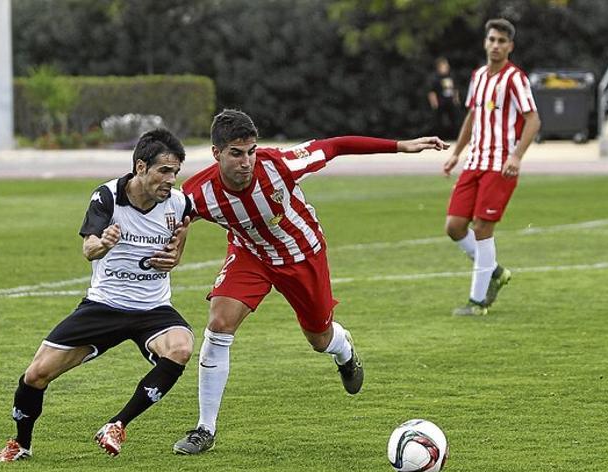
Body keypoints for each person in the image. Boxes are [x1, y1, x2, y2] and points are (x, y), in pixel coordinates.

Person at [172, 109, 447, 454]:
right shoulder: (197, 193)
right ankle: (204, 429)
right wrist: (173, 241)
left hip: (302, 255)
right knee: (219, 323)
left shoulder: (280, 164)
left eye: (251, 151)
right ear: (216, 153)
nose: (246, 161)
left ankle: (344, 350)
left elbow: (336, 146)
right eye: (236, 153)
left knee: (319, 338)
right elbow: (172, 217)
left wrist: (400, 146)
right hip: (250, 255)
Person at [0, 129, 194, 462]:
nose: (171, 180)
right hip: (104, 306)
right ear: (141, 167)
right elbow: (89, 249)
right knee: (35, 375)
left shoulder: (179, 202)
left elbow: (181, 231)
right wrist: (104, 243)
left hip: (153, 308)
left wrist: (177, 255)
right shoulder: (108, 197)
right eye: (164, 171)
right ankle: (21, 444)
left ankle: (117, 425)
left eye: (175, 173)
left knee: (182, 347)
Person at [441, 18, 541, 316]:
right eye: (492, 40)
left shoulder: (515, 79)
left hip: (500, 165)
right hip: (475, 162)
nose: (496, 45)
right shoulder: (479, 76)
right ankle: (495, 272)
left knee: (483, 227)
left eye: (502, 41)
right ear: (486, 42)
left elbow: (533, 119)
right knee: (454, 227)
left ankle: (478, 301)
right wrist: (456, 153)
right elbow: (473, 117)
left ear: (510, 46)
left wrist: (516, 156)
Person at [427, 56, 463, 139]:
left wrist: (456, 99)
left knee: (455, 119)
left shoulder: (451, 76)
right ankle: (438, 137)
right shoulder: (435, 78)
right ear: (439, 67)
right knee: (438, 121)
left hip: (450, 101)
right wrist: (434, 103)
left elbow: (455, 89)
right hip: (440, 102)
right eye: (444, 66)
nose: (446, 67)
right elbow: (431, 91)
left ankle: (457, 137)